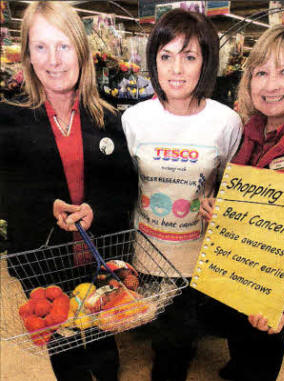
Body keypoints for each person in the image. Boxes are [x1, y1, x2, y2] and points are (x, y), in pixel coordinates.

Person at [0, 2, 137, 381]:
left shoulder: (109, 118)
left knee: (103, 343)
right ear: (27, 54)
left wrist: (97, 209)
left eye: (63, 46)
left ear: (81, 50)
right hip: (43, 264)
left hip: (99, 262)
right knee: (64, 350)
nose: (54, 60)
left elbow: (124, 188)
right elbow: (5, 191)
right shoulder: (8, 119)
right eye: (40, 47)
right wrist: (48, 205)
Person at [200, 22, 284, 381]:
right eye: (261, 72)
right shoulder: (251, 130)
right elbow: (246, 206)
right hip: (242, 271)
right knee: (240, 337)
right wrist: (220, 211)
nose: (271, 84)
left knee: (263, 345)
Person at [121, 8, 242, 381]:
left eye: (189, 57)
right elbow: (123, 185)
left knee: (180, 337)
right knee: (160, 335)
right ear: (153, 61)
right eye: (166, 56)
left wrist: (220, 203)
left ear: (205, 63)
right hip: (146, 252)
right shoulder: (133, 119)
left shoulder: (226, 122)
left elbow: (229, 184)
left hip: (196, 257)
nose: (176, 69)